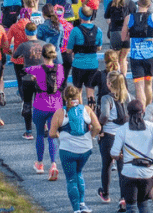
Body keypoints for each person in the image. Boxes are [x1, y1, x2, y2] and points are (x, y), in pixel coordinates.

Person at [52, 84, 103, 213]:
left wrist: (60, 136)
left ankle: (76, 210)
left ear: (64, 97)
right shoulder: (86, 109)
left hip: (67, 150)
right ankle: (82, 203)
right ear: (78, 96)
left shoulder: (60, 112)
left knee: (71, 179)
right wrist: (90, 137)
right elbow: (97, 127)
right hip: (85, 149)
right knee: (79, 173)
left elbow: (52, 133)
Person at [111, 99, 153, 213]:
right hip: (147, 173)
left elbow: (114, 154)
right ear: (143, 111)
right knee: (143, 204)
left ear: (128, 113)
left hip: (129, 173)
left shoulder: (122, 130)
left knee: (131, 207)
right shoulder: (152, 127)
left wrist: (121, 156)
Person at [29, 43, 66, 181]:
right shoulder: (60, 69)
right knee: (53, 135)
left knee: (39, 134)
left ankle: (39, 164)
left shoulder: (37, 69)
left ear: (42, 55)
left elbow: (24, 71)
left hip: (40, 105)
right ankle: (54, 164)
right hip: (56, 106)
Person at [123, 0, 153, 108]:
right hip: (149, 56)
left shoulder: (129, 18)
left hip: (135, 56)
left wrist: (131, 36)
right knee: (148, 85)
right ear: (149, 5)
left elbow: (123, 37)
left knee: (139, 87)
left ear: (138, 3)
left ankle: (141, 112)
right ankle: (148, 110)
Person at [98, 69, 132, 206]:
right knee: (122, 166)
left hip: (109, 136)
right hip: (123, 135)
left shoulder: (106, 98)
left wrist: (99, 124)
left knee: (106, 165)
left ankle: (105, 193)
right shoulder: (127, 97)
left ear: (110, 84)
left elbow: (105, 114)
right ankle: (123, 196)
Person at [13, 18, 47, 140]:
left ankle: (28, 131)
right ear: (36, 32)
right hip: (42, 78)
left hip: (28, 77)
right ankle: (44, 128)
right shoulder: (44, 44)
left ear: (26, 33)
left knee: (28, 103)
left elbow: (15, 55)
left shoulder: (24, 45)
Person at [69, 5, 104, 98]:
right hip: (93, 64)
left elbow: (69, 49)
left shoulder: (75, 30)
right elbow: (99, 47)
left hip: (78, 64)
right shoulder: (98, 30)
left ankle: (79, 111)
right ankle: (91, 111)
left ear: (80, 16)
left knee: (77, 92)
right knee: (90, 91)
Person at [106, 0, 134, 71]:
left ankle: (115, 79)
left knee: (115, 60)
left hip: (115, 32)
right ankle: (123, 79)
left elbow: (106, 16)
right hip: (127, 34)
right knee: (123, 59)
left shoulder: (112, 3)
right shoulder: (130, 3)